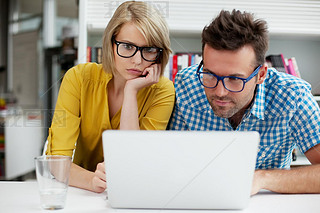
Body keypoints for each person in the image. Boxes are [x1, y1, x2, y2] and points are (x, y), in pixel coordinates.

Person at [169, 9, 320, 194]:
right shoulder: (187, 85)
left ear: (261, 75)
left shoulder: (292, 96)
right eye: (209, 75)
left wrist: (261, 178)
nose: (220, 92)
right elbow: (171, 162)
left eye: (235, 79)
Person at [46, 1, 175, 193]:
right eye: (127, 47)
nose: (137, 61)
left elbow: (133, 165)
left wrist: (131, 92)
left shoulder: (163, 90)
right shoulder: (78, 78)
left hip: (133, 193)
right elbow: (56, 163)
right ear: (110, 44)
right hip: (79, 191)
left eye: (149, 50)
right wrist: (91, 180)